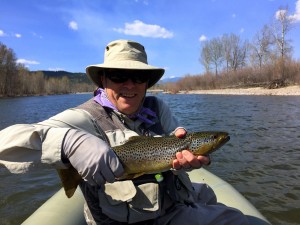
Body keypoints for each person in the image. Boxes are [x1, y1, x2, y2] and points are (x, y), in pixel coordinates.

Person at [0, 40, 249, 225]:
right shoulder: (83, 117)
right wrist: (68, 142)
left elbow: (176, 141)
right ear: (103, 80)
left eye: (138, 77)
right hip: (126, 221)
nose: (129, 85)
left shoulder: (157, 107)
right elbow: (6, 142)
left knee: (222, 205)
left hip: (172, 204)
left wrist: (183, 158)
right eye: (119, 76)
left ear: (147, 83)